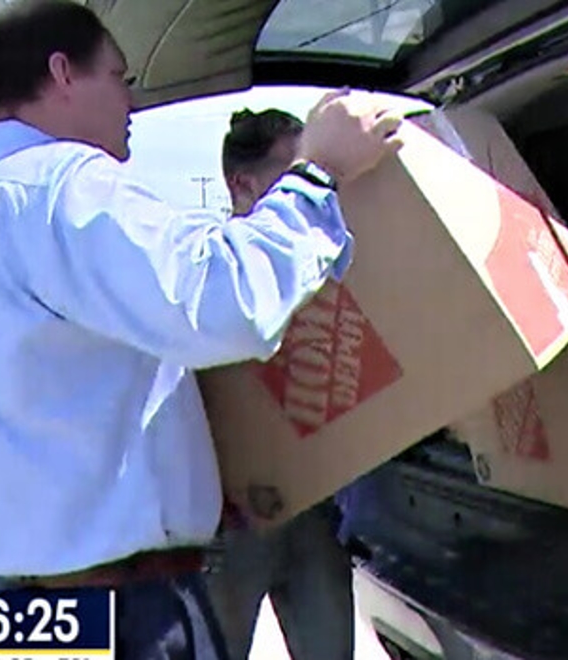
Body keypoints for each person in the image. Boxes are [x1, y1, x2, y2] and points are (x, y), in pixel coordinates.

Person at [0, 0, 402, 658]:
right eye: (119, 77)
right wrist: (319, 171)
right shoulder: (60, 183)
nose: (130, 105)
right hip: (121, 606)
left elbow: (68, 402)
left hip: (20, 606)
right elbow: (223, 304)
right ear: (62, 74)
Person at [203, 107, 356, 660]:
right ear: (243, 183)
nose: (316, 191)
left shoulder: (328, 262)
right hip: (234, 523)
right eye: (295, 174)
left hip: (317, 512)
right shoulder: (212, 279)